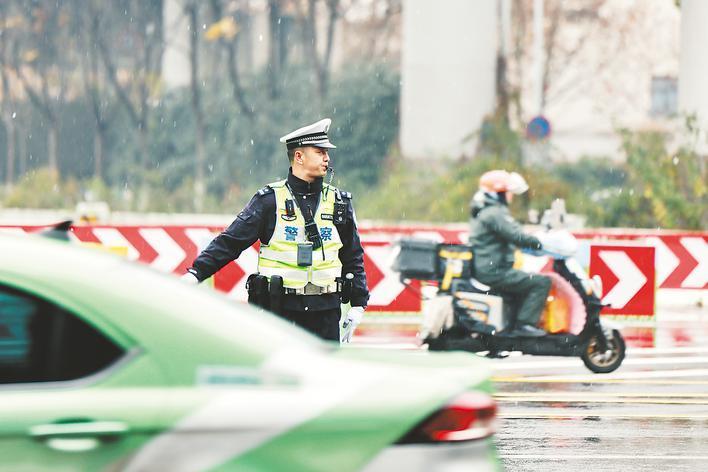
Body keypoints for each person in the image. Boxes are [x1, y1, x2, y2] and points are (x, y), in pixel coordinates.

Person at [182, 118, 369, 343]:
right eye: (320, 152)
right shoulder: (269, 201)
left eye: (326, 153)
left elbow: (352, 255)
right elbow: (231, 242)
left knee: (321, 368)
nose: (327, 158)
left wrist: (358, 304)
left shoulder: (339, 202)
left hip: (326, 313)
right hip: (279, 311)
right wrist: (196, 274)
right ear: (299, 156)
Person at [468, 170, 550, 337]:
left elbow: (511, 235)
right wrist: (542, 242)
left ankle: (512, 326)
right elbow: (516, 235)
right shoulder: (495, 213)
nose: (511, 196)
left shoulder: (487, 211)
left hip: (489, 268)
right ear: (498, 193)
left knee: (525, 281)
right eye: (508, 192)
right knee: (541, 282)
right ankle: (524, 325)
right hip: (494, 271)